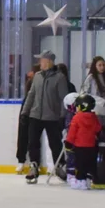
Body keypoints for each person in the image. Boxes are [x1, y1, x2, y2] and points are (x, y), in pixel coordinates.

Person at [21, 50, 69, 184]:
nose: (39, 63)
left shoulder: (59, 78)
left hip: (52, 117)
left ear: (48, 62)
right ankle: (34, 168)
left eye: (41, 60)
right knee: (33, 143)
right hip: (35, 115)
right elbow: (31, 95)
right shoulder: (37, 76)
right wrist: (25, 112)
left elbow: (63, 99)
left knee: (55, 144)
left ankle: (59, 166)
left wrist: (62, 116)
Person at [66, 94, 102, 190]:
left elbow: (72, 132)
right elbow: (98, 129)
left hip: (80, 146)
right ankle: (88, 180)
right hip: (91, 146)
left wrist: (68, 143)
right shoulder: (94, 117)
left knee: (80, 164)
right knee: (90, 163)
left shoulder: (77, 118)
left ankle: (80, 181)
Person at [16, 65, 38, 173]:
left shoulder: (39, 82)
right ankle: (21, 160)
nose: (29, 73)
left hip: (37, 109)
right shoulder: (30, 82)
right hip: (27, 107)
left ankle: (33, 162)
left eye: (32, 71)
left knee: (33, 137)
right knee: (23, 134)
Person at [81, 56, 105, 129]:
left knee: (104, 133)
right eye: (99, 65)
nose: (102, 67)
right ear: (95, 66)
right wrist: (99, 100)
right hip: (95, 110)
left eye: (103, 65)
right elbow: (84, 93)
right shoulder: (91, 77)